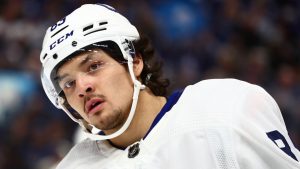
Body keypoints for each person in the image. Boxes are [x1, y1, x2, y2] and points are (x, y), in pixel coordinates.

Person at [40, 4, 300, 169]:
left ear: (135, 61)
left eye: (94, 66)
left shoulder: (224, 110)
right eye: (69, 83)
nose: (82, 87)